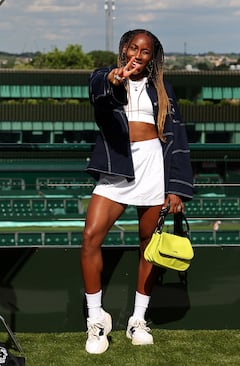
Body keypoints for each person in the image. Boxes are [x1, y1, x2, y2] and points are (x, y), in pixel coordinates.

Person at [82, 29, 193, 354]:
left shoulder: (164, 90)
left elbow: (178, 140)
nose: (137, 55)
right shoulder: (107, 78)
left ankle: (138, 320)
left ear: (152, 57)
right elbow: (99, 93)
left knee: (150, 244)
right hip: (117, 165)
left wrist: (176, 188)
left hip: (152, 167)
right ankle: (96, 320)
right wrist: (116, 78)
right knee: (90, 237)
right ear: (123, 50)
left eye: (144, 51)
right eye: (133, 48)